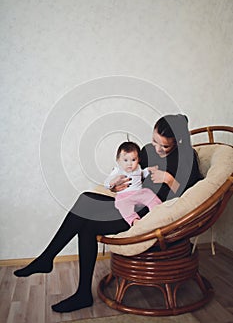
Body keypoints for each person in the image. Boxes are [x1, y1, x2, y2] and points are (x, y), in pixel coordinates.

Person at [14, 114, 203, 313]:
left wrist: (169, 179)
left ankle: (61, 274)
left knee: (87, 225)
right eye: (154, 140)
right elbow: (131, 174)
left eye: (164, 146)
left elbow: (188, 202)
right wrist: (116, 187)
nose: (156, 148)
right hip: (129, 202)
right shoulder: (146, 151)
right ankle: (65, 277)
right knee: (86, 200)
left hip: (148, 215)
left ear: (178, 141)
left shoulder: (187, 159)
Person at [104, 141, 162, 226]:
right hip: (124, 196)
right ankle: (134, 220)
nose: (130, 164)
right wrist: (113, 181)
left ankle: (157, 211)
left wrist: (149, 170)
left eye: (133, 160)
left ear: (138, 160)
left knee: (150, 195)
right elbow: (106, 183)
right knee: (121, 204)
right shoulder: (117, 170)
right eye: (125, 160)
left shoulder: (138, 168)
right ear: (118, 160)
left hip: (139, 192)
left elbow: (142, 174)